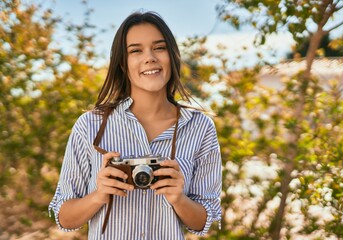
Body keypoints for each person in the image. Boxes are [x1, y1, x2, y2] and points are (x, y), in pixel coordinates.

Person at [49, 11, 222, 240]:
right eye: (136, 50)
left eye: (159, 48)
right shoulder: (90, 125)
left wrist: (179, 199)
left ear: (172, 55)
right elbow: (63, 217)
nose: (150, 58)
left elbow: (202, 223)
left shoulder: (200, 128)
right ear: (123, 62)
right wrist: (99, 195)